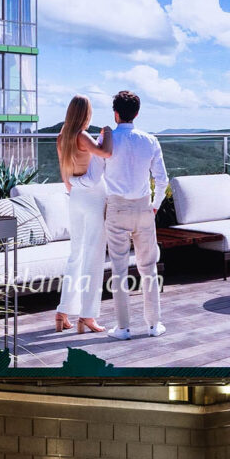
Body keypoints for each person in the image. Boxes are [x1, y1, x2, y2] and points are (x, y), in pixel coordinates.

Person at [97, 90, 169, 339]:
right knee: (148, 268)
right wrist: (155, 206)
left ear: (115, 114)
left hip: (116, 208)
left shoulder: (107, 139)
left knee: (118, 269)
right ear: (136, 114)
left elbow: (97, 176)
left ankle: (123, 328)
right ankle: (153, 325)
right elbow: (162, 180)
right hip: (143, 209)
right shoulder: (150, 140)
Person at [53, 95, 112, 334]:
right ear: (86, 114)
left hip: (74, 197)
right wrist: (107, 133)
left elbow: (64, 176)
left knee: (75, 255)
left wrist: (75, 186)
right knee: (94, 257)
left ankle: (63, 312)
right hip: (93, 197)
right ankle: (87, 316)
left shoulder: (61, 137)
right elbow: (105, 153)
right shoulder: (82, 136)